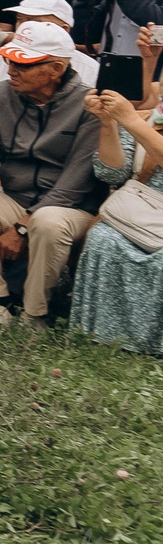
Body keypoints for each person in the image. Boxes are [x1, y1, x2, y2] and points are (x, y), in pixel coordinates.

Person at [0, 21, 107, 325]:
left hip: (70, 208)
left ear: (56, 68)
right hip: (14, 195)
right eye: (10, 60)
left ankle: (35, 314)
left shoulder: (89, 104)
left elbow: (76, 182)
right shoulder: (0, 93)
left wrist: (22, 226)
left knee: (46, 223)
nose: (11, 70)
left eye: (23, 64)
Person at [74, 34, 163, 353]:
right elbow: (111, 172)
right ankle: (104, 335)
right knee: (103, 238)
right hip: (144, 208)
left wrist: (129, 118)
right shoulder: (154, 112)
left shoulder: (140, 118)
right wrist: (109, 123)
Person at [0, 0, 99, 98]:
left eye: (34, 21)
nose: (23, 27)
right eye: (19, 19)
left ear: (64, 29)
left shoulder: (91, 71)